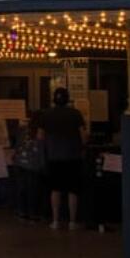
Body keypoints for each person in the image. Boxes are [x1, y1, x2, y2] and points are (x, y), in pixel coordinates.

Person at [41, 87, 87, 230]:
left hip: (54, 157)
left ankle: (55, 221)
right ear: (68, 99)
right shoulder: (75, 114)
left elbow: (40, 136)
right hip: (73, 157)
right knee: (73, 190)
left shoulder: (47, 115)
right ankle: (72, 222)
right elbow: (83, 136)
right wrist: (82, 147)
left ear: (54, 99)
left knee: (55, 189)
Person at [12, 111, 46, 222]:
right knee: (33, 190)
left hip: (20, 162)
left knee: (22, 188)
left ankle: (21, 211)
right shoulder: (41, 132)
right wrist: (43, 164)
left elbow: (17, 145)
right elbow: (41, 149)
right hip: (33, 164)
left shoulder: (22, 129)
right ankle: (33, 213)